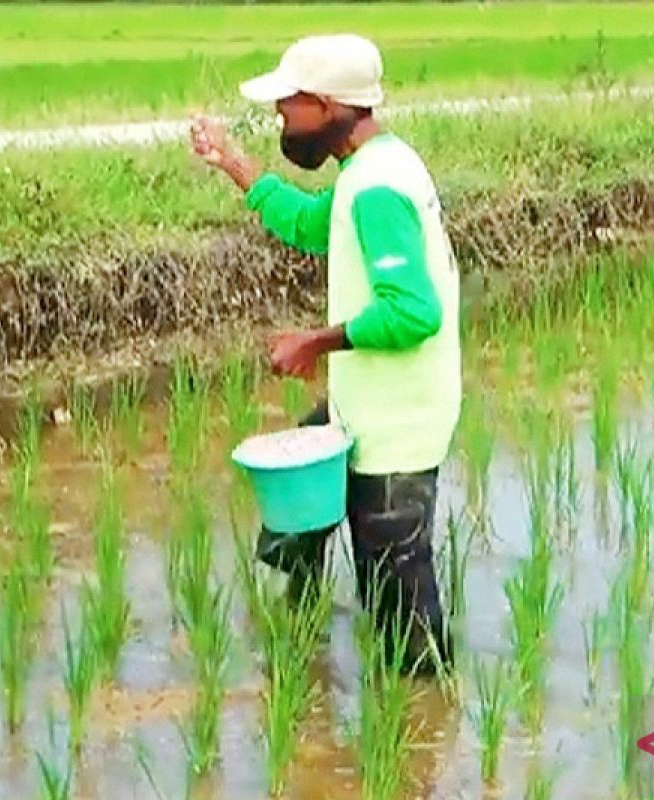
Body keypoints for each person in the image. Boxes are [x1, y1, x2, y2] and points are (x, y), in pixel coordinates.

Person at [191, 34, 460, 675]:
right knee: (296, 528)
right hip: (367, 409)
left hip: (397, 428)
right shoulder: (369, 170)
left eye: (290, 104)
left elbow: (413, 312)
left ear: (328, 104)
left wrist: (316, 341)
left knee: (401, 609)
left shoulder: (377, 188)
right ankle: (303, 638)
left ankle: (424, 734)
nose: (281, 117)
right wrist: (233, 162)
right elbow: (312, 224)